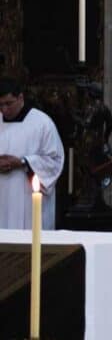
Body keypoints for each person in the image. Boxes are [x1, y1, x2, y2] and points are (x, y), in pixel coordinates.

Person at [0, 77, 64, 229]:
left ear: (20, 98)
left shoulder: (42, 123)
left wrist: (23, 162)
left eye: (8, 103)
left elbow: (55, 161)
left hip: (29, 201)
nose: (4, 110)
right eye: (0, 105)